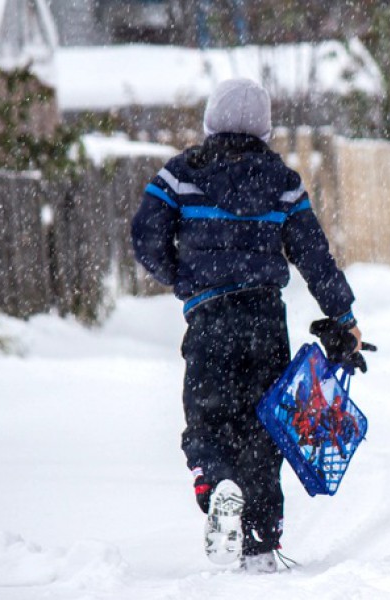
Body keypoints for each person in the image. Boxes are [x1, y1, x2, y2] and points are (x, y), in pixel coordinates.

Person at [131, 78, 368, 572]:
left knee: (208, 418)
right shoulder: (281, 182)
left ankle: (217, 482)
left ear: (211, 120)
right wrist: (342, 318)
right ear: (264, 127)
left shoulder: (180, 175)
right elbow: (314, 256)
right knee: (264, 427)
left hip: (210, 319)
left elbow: (145, 236)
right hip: (264, 319)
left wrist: (184, 280)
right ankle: (260, 539)